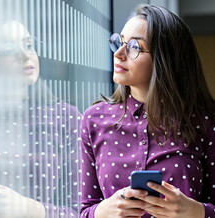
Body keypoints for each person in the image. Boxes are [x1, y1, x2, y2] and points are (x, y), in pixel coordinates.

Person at [79, 4, 215, 218]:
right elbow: (84, 210)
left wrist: (198, 212)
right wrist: (101, 212)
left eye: (134, 47)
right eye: (119, 42)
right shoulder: (94, 119)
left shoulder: (206, 121)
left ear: (166, 59)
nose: (119, 54)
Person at [0, 21, 81, 217]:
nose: (25, 55)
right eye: (8, 50)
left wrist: (30, 209)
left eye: (29, 45)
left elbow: (83, 210)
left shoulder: (66, 118)